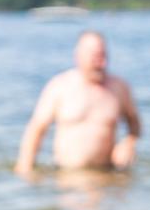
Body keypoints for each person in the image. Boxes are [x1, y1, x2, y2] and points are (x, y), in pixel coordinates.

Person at [15, 31, 141, 176]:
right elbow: (37, 129)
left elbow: (134, 123)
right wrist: (25, 166)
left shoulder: (119, 87)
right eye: (95, 57)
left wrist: (129, 142)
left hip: (107, 176)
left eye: (104, 56)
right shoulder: (60, 86)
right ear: (78, 56)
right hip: (66, 177)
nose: (102, 63)